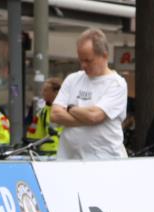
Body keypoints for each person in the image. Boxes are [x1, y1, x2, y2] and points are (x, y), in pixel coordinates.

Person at [49, 28, 128, 160]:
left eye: (88, 60)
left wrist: (70, 108)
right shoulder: (72, 79)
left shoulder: (117, 84)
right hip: (69, 161)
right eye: (81, 60)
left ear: (105, 55)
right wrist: (86, 118)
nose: (83, 65)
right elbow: (55, 114)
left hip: (103, 162)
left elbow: (94, 116)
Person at [25, 78, 63, 155]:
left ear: (55, 92)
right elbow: (34, 135)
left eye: (45, 90)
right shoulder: (42, 112)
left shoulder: (67, 109)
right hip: (46, 154)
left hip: (63, 154)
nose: (42, 93)